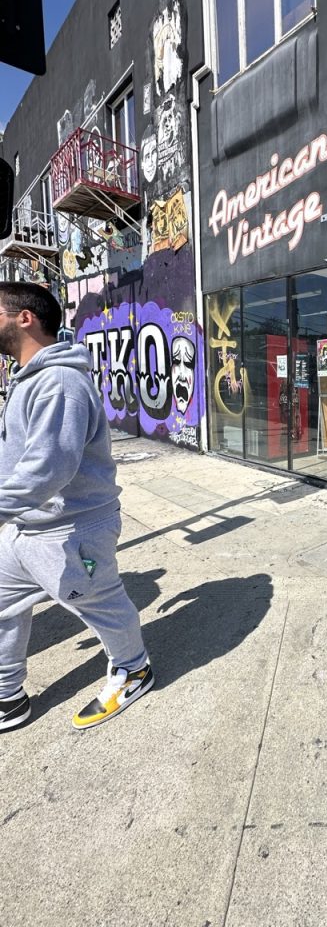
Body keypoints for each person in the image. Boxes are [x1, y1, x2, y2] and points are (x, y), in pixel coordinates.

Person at [0, 282, 153, 732]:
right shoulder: (29, 378)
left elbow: (48, 469)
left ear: (24, 318)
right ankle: (7, 696)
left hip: (70, 531)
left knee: (103, 605)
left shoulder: (60, 383)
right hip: (26, 528)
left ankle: (134, 669)